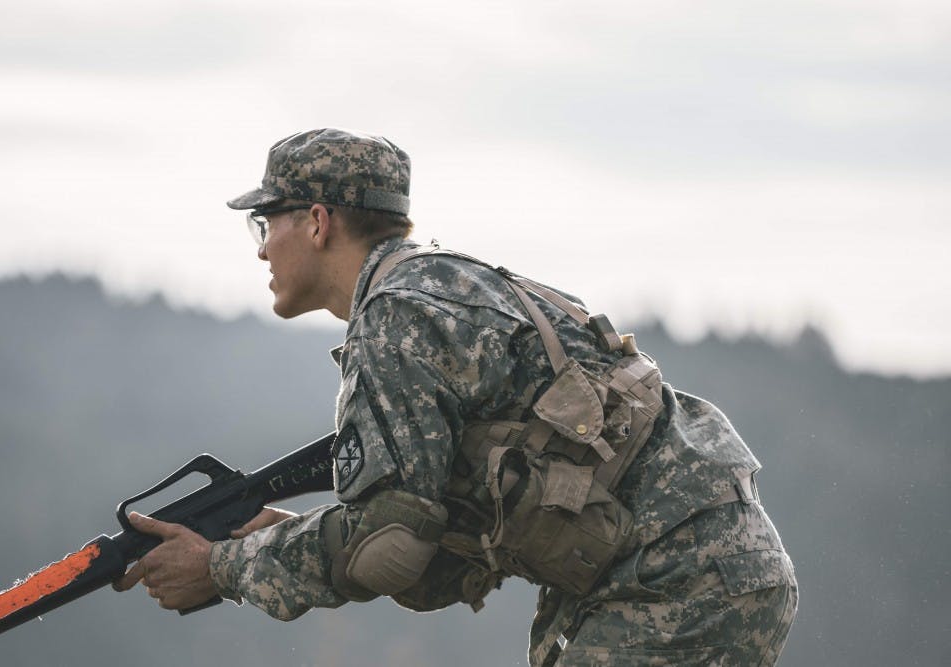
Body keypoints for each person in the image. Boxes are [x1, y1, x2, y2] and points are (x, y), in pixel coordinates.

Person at [113, 128, 798, 666]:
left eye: (267, 224)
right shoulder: (444, 285)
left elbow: (389, 547)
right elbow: (436, 553)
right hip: (704, 571)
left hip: (670, 580)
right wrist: (280, 539)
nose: (262, 250)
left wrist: (222, 567)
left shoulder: (395, 318)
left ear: (318, 221)